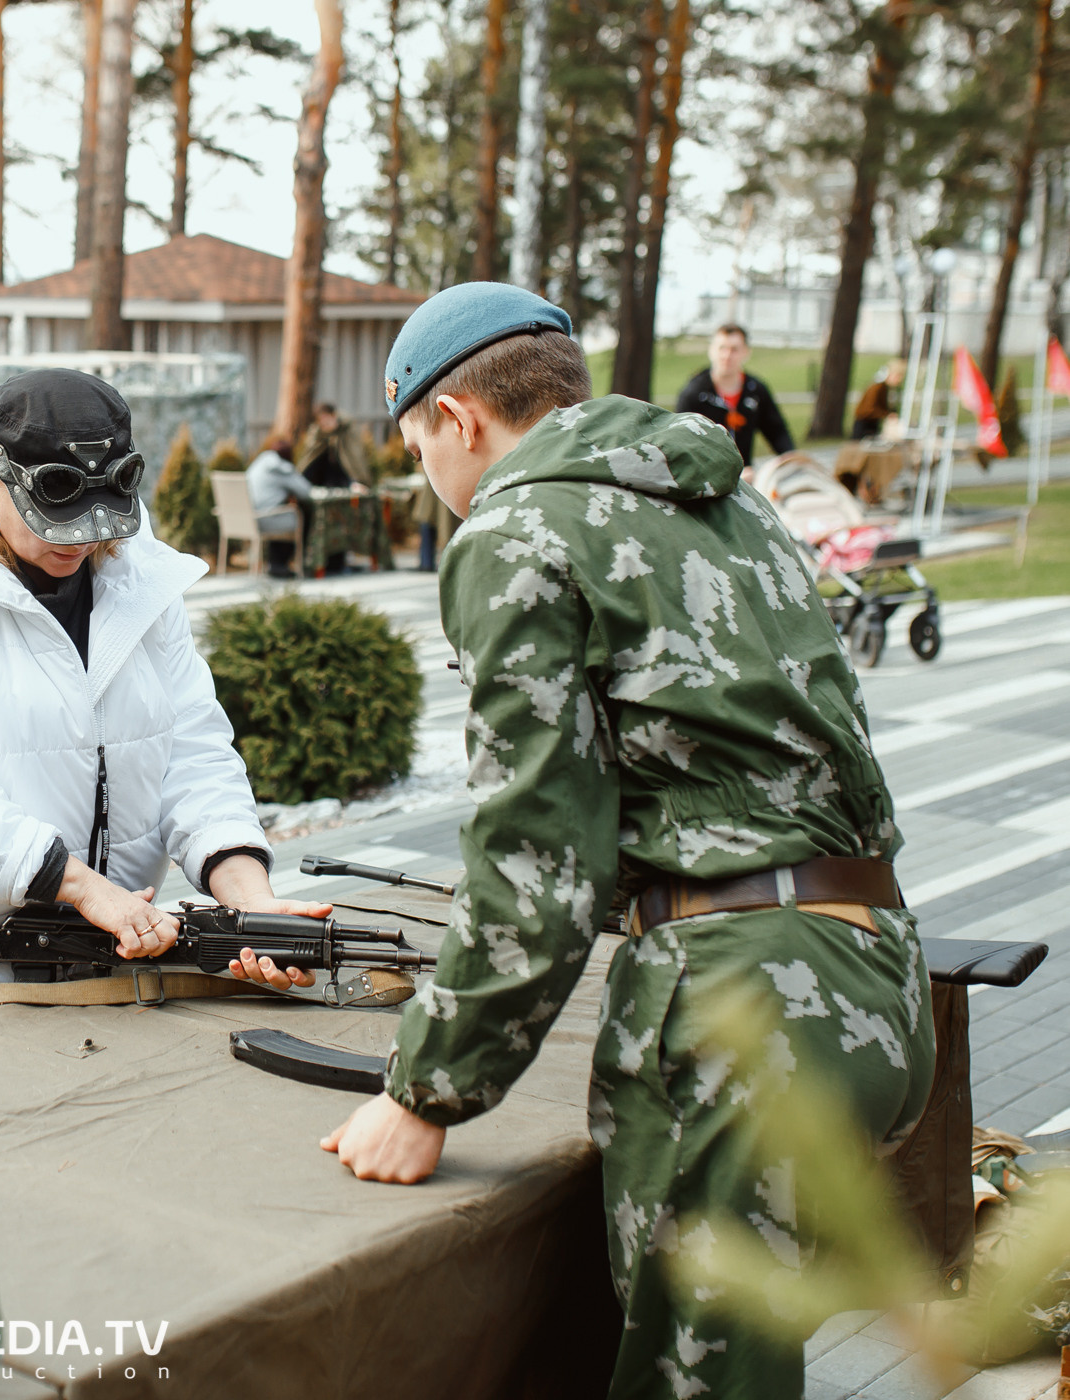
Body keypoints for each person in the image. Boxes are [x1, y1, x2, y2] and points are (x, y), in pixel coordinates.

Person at [266, 282, 932, 1399]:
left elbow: (538, 850)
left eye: (420, 442)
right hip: (878, 978)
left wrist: (427, 1090)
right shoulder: (732, 499)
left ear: (461, 420)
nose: (430, 478)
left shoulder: (514, 528)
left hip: (742, 1015)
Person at [0, 368, 326, 993]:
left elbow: (192, 752)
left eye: (99, 519)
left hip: (106, 946)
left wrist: (248, 896)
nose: (81, 540)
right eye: (53, 521)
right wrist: (79, 887)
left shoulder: (143, 581)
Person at [675, 323, 795, 465]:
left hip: (745, 477)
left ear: (746, 352)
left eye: (734, 349)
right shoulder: (694, 393)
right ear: (711, 350)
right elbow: (682, 445)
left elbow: (778, 433)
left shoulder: (755, 391)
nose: (727, 355)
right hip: (705, 477)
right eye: (722, 348)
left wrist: (792, 461)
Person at [294, 402, 393, 572]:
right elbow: (310, 462)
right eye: (321, 423)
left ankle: (338, 563)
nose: (325, 426)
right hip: (319, 487)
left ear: (334, 416)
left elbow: (352, 462)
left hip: (343, 485)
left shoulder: (348, 432)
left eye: (327, 421)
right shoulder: (317, 436)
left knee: (344, 522)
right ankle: (314, 564)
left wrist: (354, 482)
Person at [246, 430, 314, 578]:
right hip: (267, 519)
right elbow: (306, 491)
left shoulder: (259, 462)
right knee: (301, 514)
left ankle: (275, 563)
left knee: (282, 510)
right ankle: (283, 564)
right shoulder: (281, 468)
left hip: (247, 518)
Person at [850, 360, 906, 440]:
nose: (899, 380)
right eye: (898, 376)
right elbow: (869, 408)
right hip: (864, 423)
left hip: (873, 422)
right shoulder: (877, 387)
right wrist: (887, 414)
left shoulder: (886, 388)